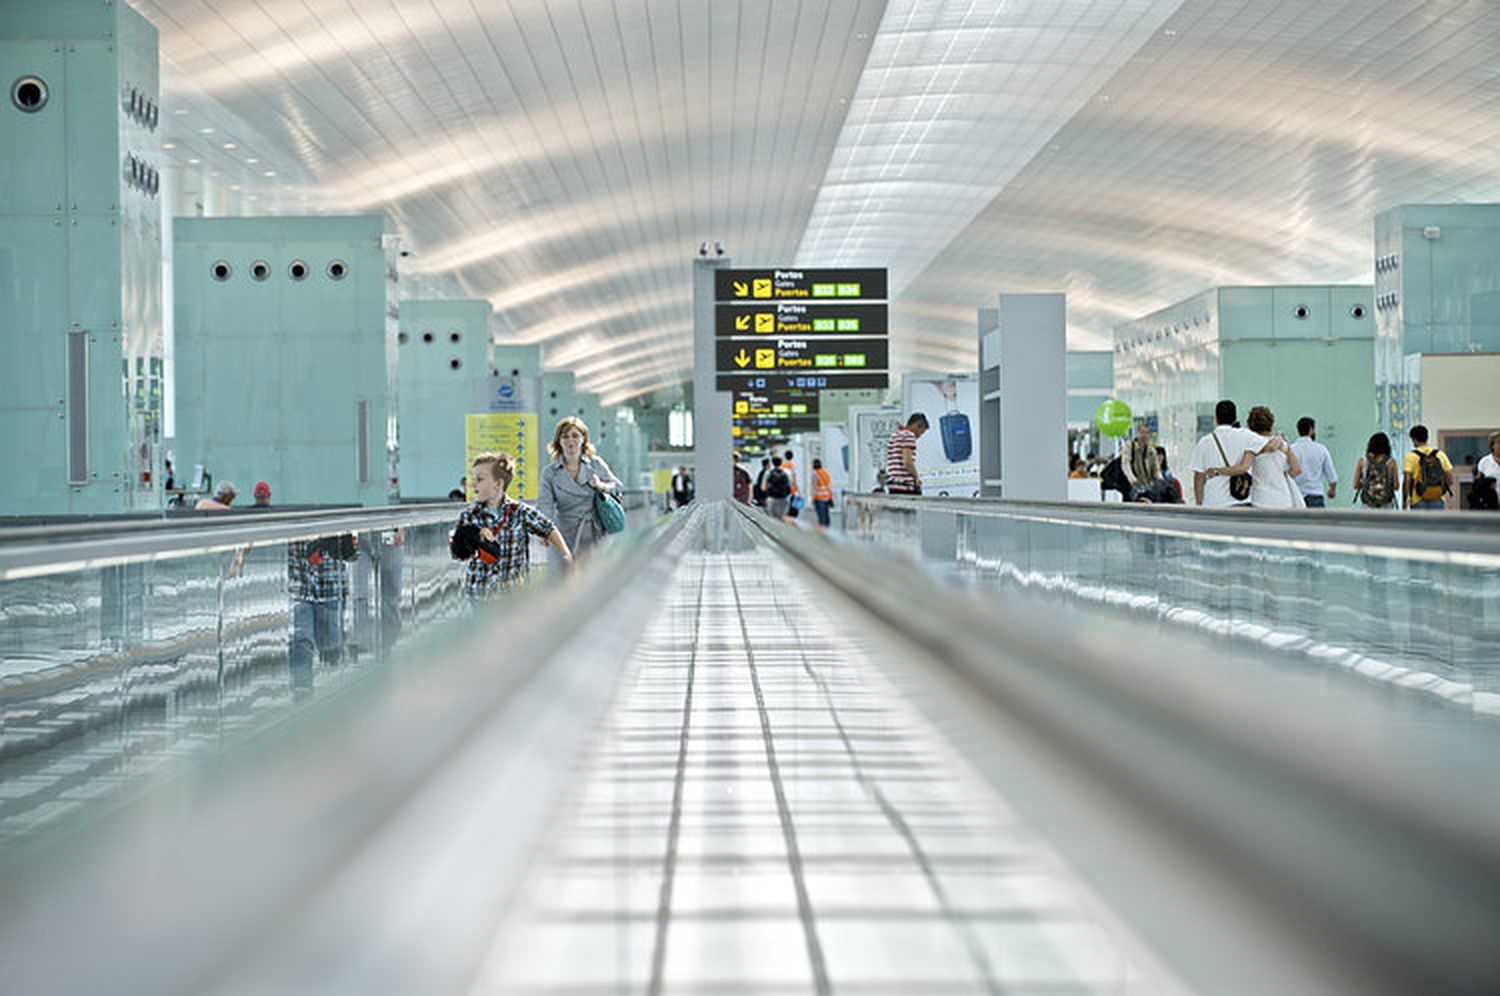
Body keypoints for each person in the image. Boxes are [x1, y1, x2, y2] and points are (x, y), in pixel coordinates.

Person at [454, 452, 572, 600]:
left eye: (480, 479)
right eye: (473, 479)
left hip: (512, 595)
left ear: (498, 484)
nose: (473, 484)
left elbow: (548, 528)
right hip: (480, 592)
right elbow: (457, 553)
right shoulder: (469, 516)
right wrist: (474, 539)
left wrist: (566, 554)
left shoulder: (519, 512)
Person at [537, 416, 623, 561]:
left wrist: (600, 485)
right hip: (562, 534)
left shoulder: (595, 464)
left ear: (583, 439)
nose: (570, 440)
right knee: (562, 578)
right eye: (565, 436)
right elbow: (545, 504)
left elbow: (618, 487)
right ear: (559, 441)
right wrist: (544, 531)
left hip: (593, 532)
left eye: (575, 435)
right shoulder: (550, 472)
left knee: (591, 579)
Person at [286, 531, 357, 695]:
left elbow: (350, 549)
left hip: (330, 586)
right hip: (299, 584)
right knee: (300, 638)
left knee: (330, 646)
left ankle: (335, 688)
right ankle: (301, 689)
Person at [1215, 405, 1301, 508]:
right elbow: (1297, 469)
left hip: (1260, 499)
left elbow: (1243, 467)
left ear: (1250, 424)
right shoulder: (1282, 444)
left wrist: (1219, 471)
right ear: (1271, 423)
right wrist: (1282, 475)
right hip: (1283, 499)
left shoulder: (1251, 444)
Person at [1190, 400, 1261, 508]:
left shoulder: (1205, 442)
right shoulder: (1246, 436)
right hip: (1241, 499)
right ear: (1235, 418)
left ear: (1216, 418)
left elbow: (1199, 476)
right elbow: (1268, 443)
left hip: (1214, 501)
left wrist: (1199, 503)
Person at [1289, 417, 1338, 508]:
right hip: (1316, 495)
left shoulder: (1291, 449)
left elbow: (1287, 473)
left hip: (1296, 496)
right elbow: (1332, 477)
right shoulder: (1321, 449)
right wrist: (1332, 491)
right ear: (1311, 429)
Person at [1403, 424, 1452, 510]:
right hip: (1438, 498)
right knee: (1437, 523)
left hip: (1418, 498)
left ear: (1413, 439)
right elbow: (1450, 479)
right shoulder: (1440, 455)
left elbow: (1407, 480)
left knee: (1419, 524)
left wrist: (1404, 500)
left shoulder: (1410, 456)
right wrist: (1440, 489)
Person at [885, 413, 929, 495]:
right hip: (905, 486)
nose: (919, 436)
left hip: (893, 485)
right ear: (916, 425)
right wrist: (916, 477)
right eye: (921, 432)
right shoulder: (909, 436)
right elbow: (907, 462)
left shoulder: (894, 436)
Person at [1352, 431, 1399, 509]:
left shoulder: (1363, 461)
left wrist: (1365, 484)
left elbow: (1355, 485)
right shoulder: (1391, 462)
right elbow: (1396, 486)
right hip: (1386, 505)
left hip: (1367, 506)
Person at [1121, 421, 1165, 501]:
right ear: (1137, 433)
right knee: (1142, 499)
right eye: (1142, 432)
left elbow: (1156, 469)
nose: (1144, 435)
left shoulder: (1151, 451)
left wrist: (1160, 480)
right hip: (1133, 485)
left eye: (1146, 433)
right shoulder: (1130, 446)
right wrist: (1132, 479)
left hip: (1147, 485)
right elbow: (1126, 465)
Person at [1470, 431, 1500, 510]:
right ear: (1492, 446)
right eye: (1499, 443)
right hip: (1491, 504)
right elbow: (1477, 485)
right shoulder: (1485, 461)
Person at [763, 455, 792, 519]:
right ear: (781, 462)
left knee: (772, 519)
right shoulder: (787, 472)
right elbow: (790, 486)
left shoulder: (768, 473)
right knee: (781, 519)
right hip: (784, 499)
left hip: (772, 499)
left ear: (772, 463)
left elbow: (763, 488)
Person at [811, 458, 833, 529]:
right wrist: (830, 496)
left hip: (819, 497)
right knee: (826, 515)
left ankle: (822, 532)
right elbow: (829, 485)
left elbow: (815, 487)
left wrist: (813, 498)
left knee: (821, 515)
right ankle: (827, 529)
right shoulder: (825, 473)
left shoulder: (815, 474)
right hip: (827, 496)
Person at [782, 450, 801, 518]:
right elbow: (794, 479)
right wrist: (798, 491)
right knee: (793, 503)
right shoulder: (792, 466)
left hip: (783, 487)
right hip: (791, 488)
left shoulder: (782, 465)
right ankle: (791, 516)